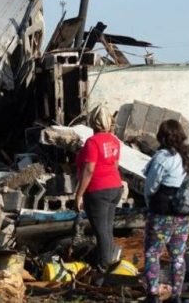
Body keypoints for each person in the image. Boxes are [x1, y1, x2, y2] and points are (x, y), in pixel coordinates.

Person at [142, 120, 189, 303]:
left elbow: (150, 186)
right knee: (178, 256)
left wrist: (149, 204)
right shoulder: (188, 157)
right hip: (184, 214)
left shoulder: (163, 157)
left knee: (152, 253)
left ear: (162, 136)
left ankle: (153, 294)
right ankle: (176, 295)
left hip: (162, 214)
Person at [74, 105, 123, 272]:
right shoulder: (114, 141)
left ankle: (104, 267)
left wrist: (79, 195)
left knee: (101, 231)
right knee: (107, 229)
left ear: (92, 121)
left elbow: (89, 169)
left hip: (98, 190)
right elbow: (115, 165)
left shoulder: (92, 142)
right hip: (115, 187)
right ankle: (109, 262)